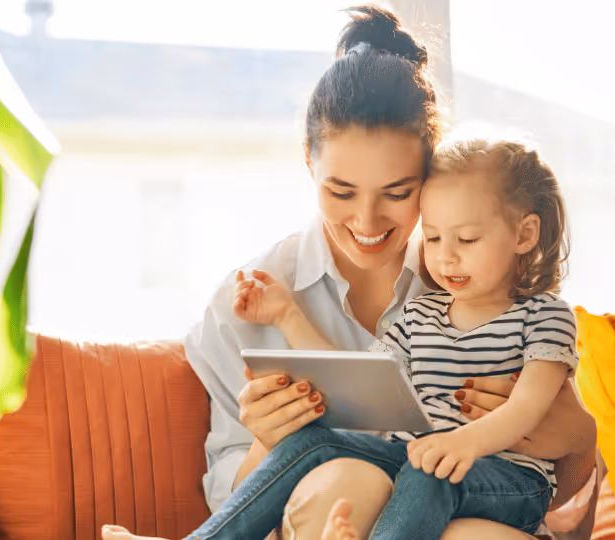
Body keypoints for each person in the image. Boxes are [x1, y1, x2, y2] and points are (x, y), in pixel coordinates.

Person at [103, 6, 599, 540]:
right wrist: (270, 436)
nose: (367, 222)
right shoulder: (249, 300)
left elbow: (565, 490)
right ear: (309, 164)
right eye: (341, 192)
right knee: (345, 475)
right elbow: (349, 392)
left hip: (478, 500)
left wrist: (577, 438)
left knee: (435, 492)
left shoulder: (479, 282)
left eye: (398, 193)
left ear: (432, 175)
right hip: (356, 495)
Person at [201, 137, 576, 539]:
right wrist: (287, 316)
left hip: (511, 482)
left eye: (466, 239)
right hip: (421, 462)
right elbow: (358, 380)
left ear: (524, 234)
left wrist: (462, 444)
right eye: (432, 238)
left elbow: (527, 408)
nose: (446, 256)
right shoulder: (419, 315)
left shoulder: (546, 315)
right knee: (313, 442)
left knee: (429, 470)